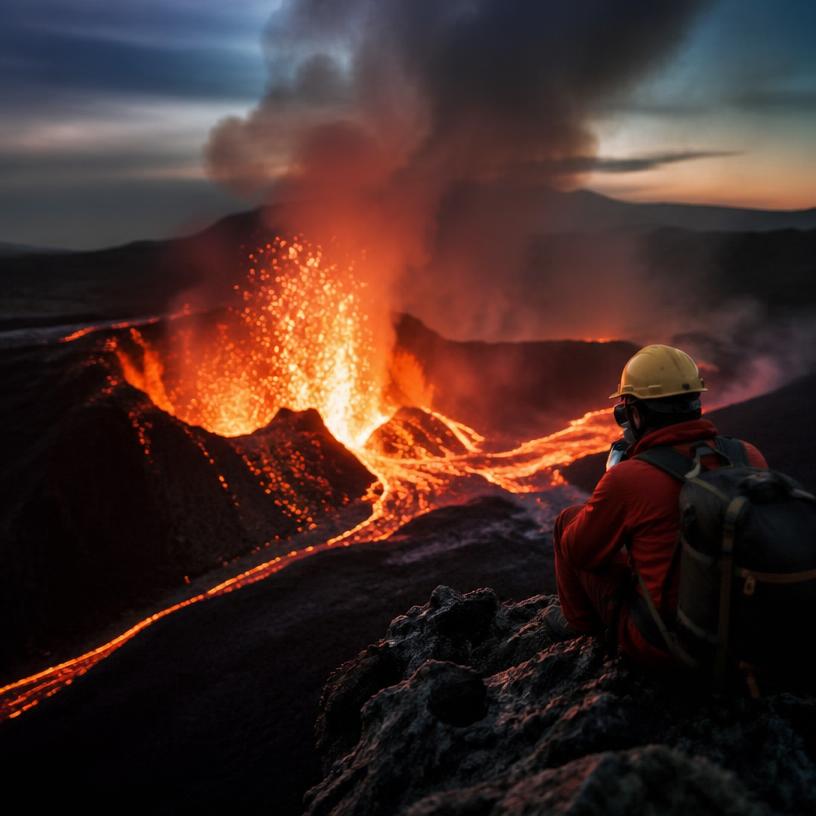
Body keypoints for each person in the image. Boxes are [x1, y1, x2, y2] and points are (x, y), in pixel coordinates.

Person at [544, 344, 768, 668]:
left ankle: (579, 625)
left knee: (568, 521)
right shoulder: (748, 456)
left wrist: (611, 484)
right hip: (750, 634)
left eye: (625, 411)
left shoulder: (629, 479)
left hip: (668, 646)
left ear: (636, 414)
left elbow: (581, 553)